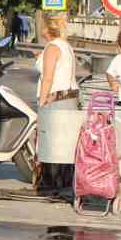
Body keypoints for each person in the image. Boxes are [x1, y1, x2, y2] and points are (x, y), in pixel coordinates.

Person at [35, 11, 80, 196]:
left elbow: (48, 77)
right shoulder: (66, 46)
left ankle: (51, 183)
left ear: (47, 29)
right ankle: (65, 183)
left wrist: (42, 102)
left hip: (55, 99)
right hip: (70, 98)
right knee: (66, 144)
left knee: (51, 143)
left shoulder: (52, 47)